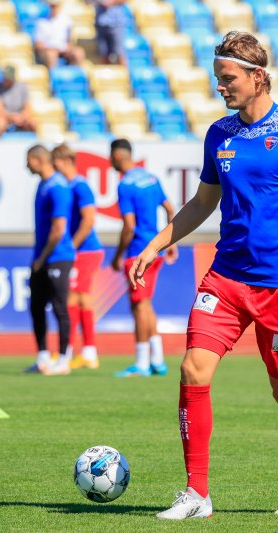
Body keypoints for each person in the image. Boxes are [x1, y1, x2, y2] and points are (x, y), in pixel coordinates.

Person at [126, 31, 278, 519]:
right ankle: (197, 494)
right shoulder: (219, 135)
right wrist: (156, 243)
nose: (221, 88)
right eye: (217, 80)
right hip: (225, 280)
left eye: (227, 79)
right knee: (192, 369)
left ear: (258, 77)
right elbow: (204, 203)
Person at [110, 138, 178, 378]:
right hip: (155, 249)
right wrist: (171, 241)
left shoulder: (125, 185)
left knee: (138, 306)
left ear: (117, 156)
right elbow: (170, 208)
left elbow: (129, 226)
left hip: (138, 251)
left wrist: (118, 255)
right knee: (146, 304)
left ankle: (141, 362)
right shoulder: (150, 178)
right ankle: (157, 360)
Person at [24, 145, 76, 376]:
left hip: (57, 257)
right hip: (42, 257)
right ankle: (43, 357)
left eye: (28, 161)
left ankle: (64, 358)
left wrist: (43, 257)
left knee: (59, 307)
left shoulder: (58, 187)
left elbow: (58, 229)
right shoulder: (42, 185)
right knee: (36, 306)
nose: (26, 165)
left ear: (38, 159)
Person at [51, 143, 104, 370]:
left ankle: (76, 351)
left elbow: (89, 219)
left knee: (75, 297)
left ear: (63, 162)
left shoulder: (80, 186)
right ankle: (81, 351)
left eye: (55, 164)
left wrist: (71, 246)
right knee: (78, 298)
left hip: (86, 250)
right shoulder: (70, 185)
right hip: (83, 250)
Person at [35, 0, 86, 69]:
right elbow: (39, 44)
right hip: (49, 50)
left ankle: (79, 75)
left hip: (64, 49)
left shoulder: (66, 20)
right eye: (52, 6)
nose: (54, 8)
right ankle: (53, 76)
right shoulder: (42, 22)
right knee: (51, 54)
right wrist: (52, 49)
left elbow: (69, 40)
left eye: (56, 6)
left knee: (78, 52)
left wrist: (69, 48)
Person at [0, 65, 36, 132]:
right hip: (5, 118)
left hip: (20, 117)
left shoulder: (22, 87)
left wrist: (22, 117)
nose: (5, 79)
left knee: (33, 123)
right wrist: (11, 117)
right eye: (4, 77)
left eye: (8, 77)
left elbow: (27, 108)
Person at [88, 0, 128, 65]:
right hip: (101, 23)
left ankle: (124, 73)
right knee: (103, 54)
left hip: (116, 23)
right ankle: (105, 74)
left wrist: (112, 2)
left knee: (120, 54)